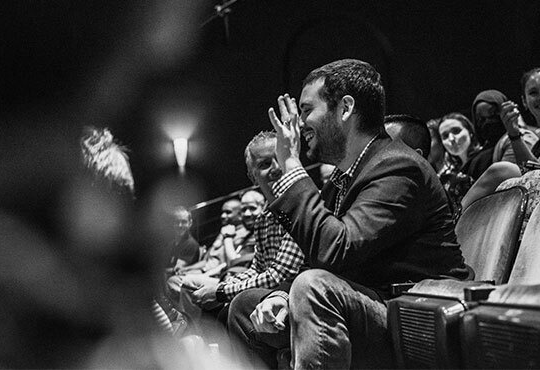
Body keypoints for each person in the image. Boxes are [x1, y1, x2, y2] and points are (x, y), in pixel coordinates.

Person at [257, 59, 469, 369]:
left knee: (313, 287)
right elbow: (314, 253)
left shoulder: (397, 166)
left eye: (306, 111)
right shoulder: (343, 179)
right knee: (248, 306)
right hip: (373, 301)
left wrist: (291, 165)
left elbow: (335, 250)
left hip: (417, 313)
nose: (300, 125)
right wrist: (279, 296)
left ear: (344, 109)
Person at [178, 132, 305, 368]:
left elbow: (282, 274)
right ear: (253, 177)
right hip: (272, 291)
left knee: (239, 304)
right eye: (265, 164)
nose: (276, 168)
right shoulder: (266, 216)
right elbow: (257, 268)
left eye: (280, 158)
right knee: (208, 302)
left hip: (296, 295)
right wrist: (212, 285)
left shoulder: (301, 204)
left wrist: (220, 289)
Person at [461, 64, 540, 208]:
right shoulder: (538, 145)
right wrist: (513, 133)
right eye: (533, 93)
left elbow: (537, 178)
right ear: (524, 101)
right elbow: (531, 176)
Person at [435, 111, 477, 219]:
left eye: (456, 131)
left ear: (470, 132)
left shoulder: (485, 157)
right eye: (445, 136)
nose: (452, 139)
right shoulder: (447, 172)